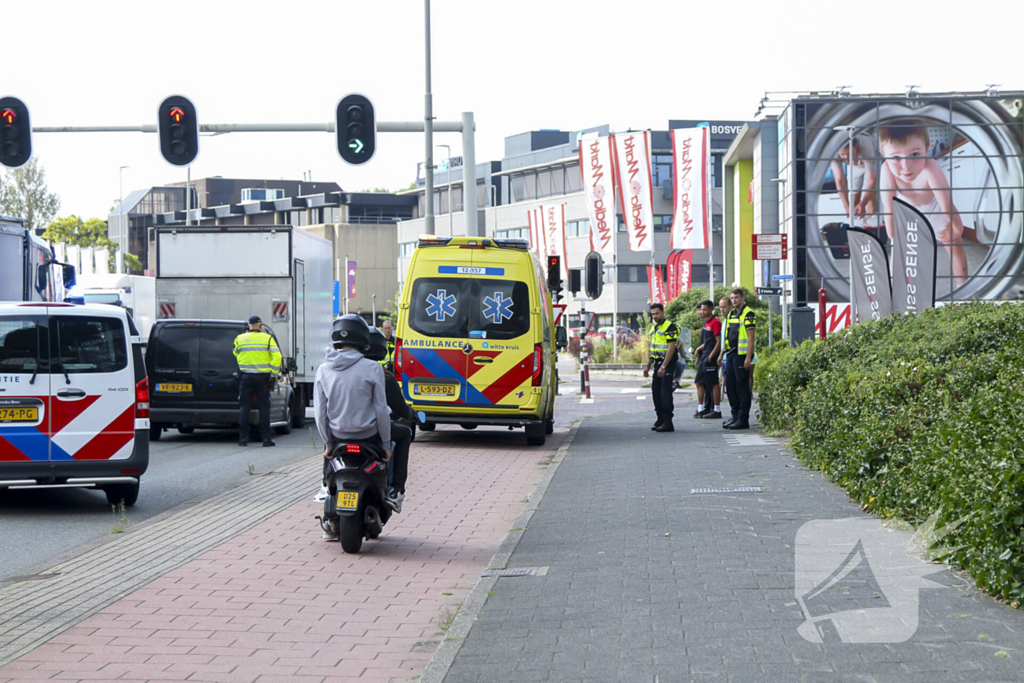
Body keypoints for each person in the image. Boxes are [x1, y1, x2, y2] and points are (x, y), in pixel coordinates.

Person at [314, 314, 392, 540]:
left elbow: (320, 414)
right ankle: (390, 495)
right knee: (393, 451)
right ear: (363, 338)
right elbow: (381, 411)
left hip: (338, 439)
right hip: (369, 437)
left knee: (328, 466)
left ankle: (328, 517)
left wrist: (328, 443)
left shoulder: (323, 369)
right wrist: (386, 445)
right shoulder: (372, 367)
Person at [879, 121, 968, 285]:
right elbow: (888, 206)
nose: (906, 166)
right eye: (896, 158)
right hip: (907, 210)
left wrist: (957, 230)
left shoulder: (930, 167)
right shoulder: (886, 170)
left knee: (955, 246)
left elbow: (946, 202)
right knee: (898, 253)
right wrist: (893, 235)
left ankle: (963, 286)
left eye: (914, 155)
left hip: (936, 208)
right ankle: (896, 291)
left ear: (927, 148)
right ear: (883, 154)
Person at [365, 326, 413, 513]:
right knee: (405, 434)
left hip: (340, 432)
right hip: (372, 430)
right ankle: (396, 489)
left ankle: (325, 486)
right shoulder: (382, 374)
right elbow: (395, 407)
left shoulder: (334, 368)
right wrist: (410, 414)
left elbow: (322, 413)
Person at [233, 315, 282, 447]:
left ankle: (243, 438)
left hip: (245, 377)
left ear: (248, 326)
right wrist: (274, 375)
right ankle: (266, 439)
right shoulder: (267, 338)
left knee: (244, 407)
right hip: (263, 378)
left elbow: (236, 353)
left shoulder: (240, 338)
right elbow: (277, 356)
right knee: (264, 407)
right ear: (260, 326)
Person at [644, 303, 681, 433]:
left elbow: (671, 349)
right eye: (653, 314)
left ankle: (667, 421)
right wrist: (648, 366)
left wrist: (664, 367)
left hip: (667, 363)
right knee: (656, 391)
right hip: (658, 363)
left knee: (665, 391)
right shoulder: (654, 327)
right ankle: (660, 418)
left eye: (657, 313)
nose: (655, 316)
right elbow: (653, 349)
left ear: (663, 312)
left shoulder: (670, 327)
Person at [723, 289, 756, 430]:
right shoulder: (731, 313)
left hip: (741, 355)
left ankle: (743, 419)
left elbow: (751, 337)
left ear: (742, 298)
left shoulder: (748, 313)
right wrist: (722, 354)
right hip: (731, 354)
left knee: (742, 387)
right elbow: (728, 334)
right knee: (730, 386)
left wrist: (748, 357)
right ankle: (735, 416)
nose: (734, 300)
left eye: (736, 297)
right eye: (732, 298)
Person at [830, 133, 879, 218]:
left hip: (872, 161)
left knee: (871, 197)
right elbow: (840, 181)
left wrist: (863, 204)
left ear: (856, 145)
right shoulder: (833, 153)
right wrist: (847, 208)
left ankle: (871, 224)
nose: (846, 158)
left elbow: (872, 181)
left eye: (849, 154)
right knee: (854, 198)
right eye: (842, 155)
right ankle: (857, 223)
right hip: (854, 166)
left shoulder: (866, 147)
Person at [693, 300, 722, 419]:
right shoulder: (706, 323)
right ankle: (702, 408)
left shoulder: (715, 322)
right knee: (700, 382)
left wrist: (712, 355)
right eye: (701, 309)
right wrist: (699, 350)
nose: (702, 312)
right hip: (704, 356)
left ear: (711, 309)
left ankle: (717, 409)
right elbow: (707, 341)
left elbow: (718, 341)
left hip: (710, 357)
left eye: (705, 309)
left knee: (713, 383)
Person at [718, 296, 732, 390]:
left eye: (724, 307)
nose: (722, 309)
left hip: (729, 356)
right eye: (720, 307)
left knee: (731, 384)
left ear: (730, 306)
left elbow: (728, 339)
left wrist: (721, 353)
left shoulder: (732, 320)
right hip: (724, 357)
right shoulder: (724, 321)